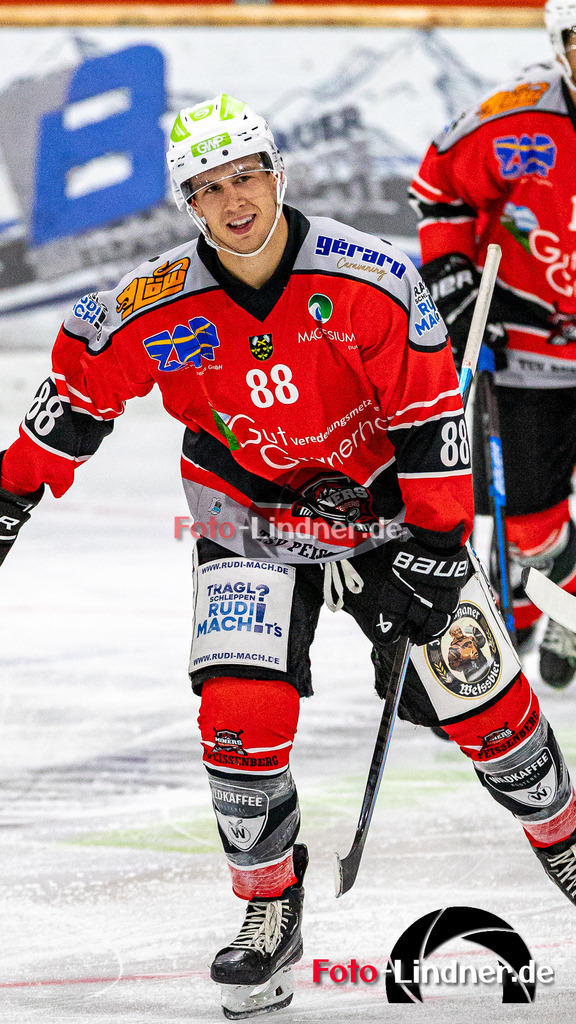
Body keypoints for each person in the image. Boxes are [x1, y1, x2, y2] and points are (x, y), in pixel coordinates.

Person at [2, 93, 576, 1019]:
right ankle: (269, 908)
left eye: (246, 176)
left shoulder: (370, 281)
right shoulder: (153, 302)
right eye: (207, 187)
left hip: (388, 516)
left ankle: (565, 837)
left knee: (488, 711)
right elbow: (76, 393)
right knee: (238, 714)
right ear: (187, 204)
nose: (233, 201)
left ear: (278, 172)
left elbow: (434, 429)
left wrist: (435, 548)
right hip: (248, 520)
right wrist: (9, 492)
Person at [409, 0, 576, 689]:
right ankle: (558, 598)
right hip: (530, 347)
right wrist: (451, 271)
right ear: (560, 44)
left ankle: (552, 605)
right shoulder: (513, 120)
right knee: (530, 524)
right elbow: (439, 186)